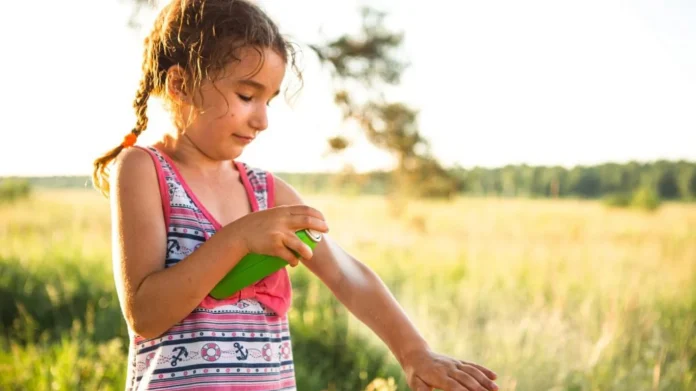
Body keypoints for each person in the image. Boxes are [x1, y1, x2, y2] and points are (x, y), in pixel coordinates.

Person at [93, 1, 498, 390]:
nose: (263, 119)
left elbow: (345, 273)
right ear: (180, 85)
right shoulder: (144, 170)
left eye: (268, 101)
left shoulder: (266, 193)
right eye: (247, 96)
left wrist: (415, 353)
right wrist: (236, 240)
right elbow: (144, 314)